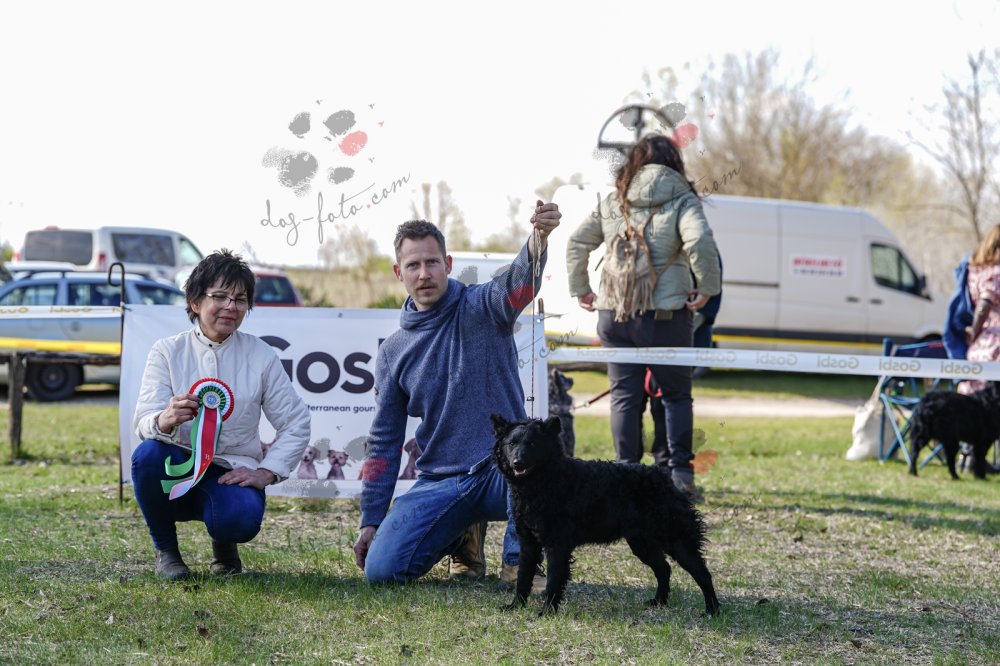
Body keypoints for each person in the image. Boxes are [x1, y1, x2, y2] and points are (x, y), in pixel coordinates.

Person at [352, 204, 561, 588]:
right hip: (442, 480)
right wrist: (371, 519)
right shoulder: (393, 351)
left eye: (432, 262)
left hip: (503, 470)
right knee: (381, 571)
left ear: (447, 264)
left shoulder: (485, 306)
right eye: (413, 265)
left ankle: (520, 564)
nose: (424, 274)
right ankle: (462, 535)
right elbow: (384, 441)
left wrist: (538, 240)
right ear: (399, 273)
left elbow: (517, 286)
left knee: (540, 466)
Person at [131, 249, 311, 580]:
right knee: (147, 457)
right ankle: (167, 553)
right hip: (177, 464)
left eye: (240, 299)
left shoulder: (260, 355)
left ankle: (225, 545)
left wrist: (267, 472)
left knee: (240, 520)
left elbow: (296, 422)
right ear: (195, 301)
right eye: (220, 296)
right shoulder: (167, 351)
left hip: (232, 470)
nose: (231, 306)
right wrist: (164, 419)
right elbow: (144, 421)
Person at [566, 133, 720, 503]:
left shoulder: (614, 199)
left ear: (634, 162)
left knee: (624, 397)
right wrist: (707, 287)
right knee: (676, 396)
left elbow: (577, 242)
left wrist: (581, 288)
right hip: (666, 318)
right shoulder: (682, 199)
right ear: (674, 164)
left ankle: (625, 479)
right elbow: (700, 242)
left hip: (614, 314)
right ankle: (680, 478)